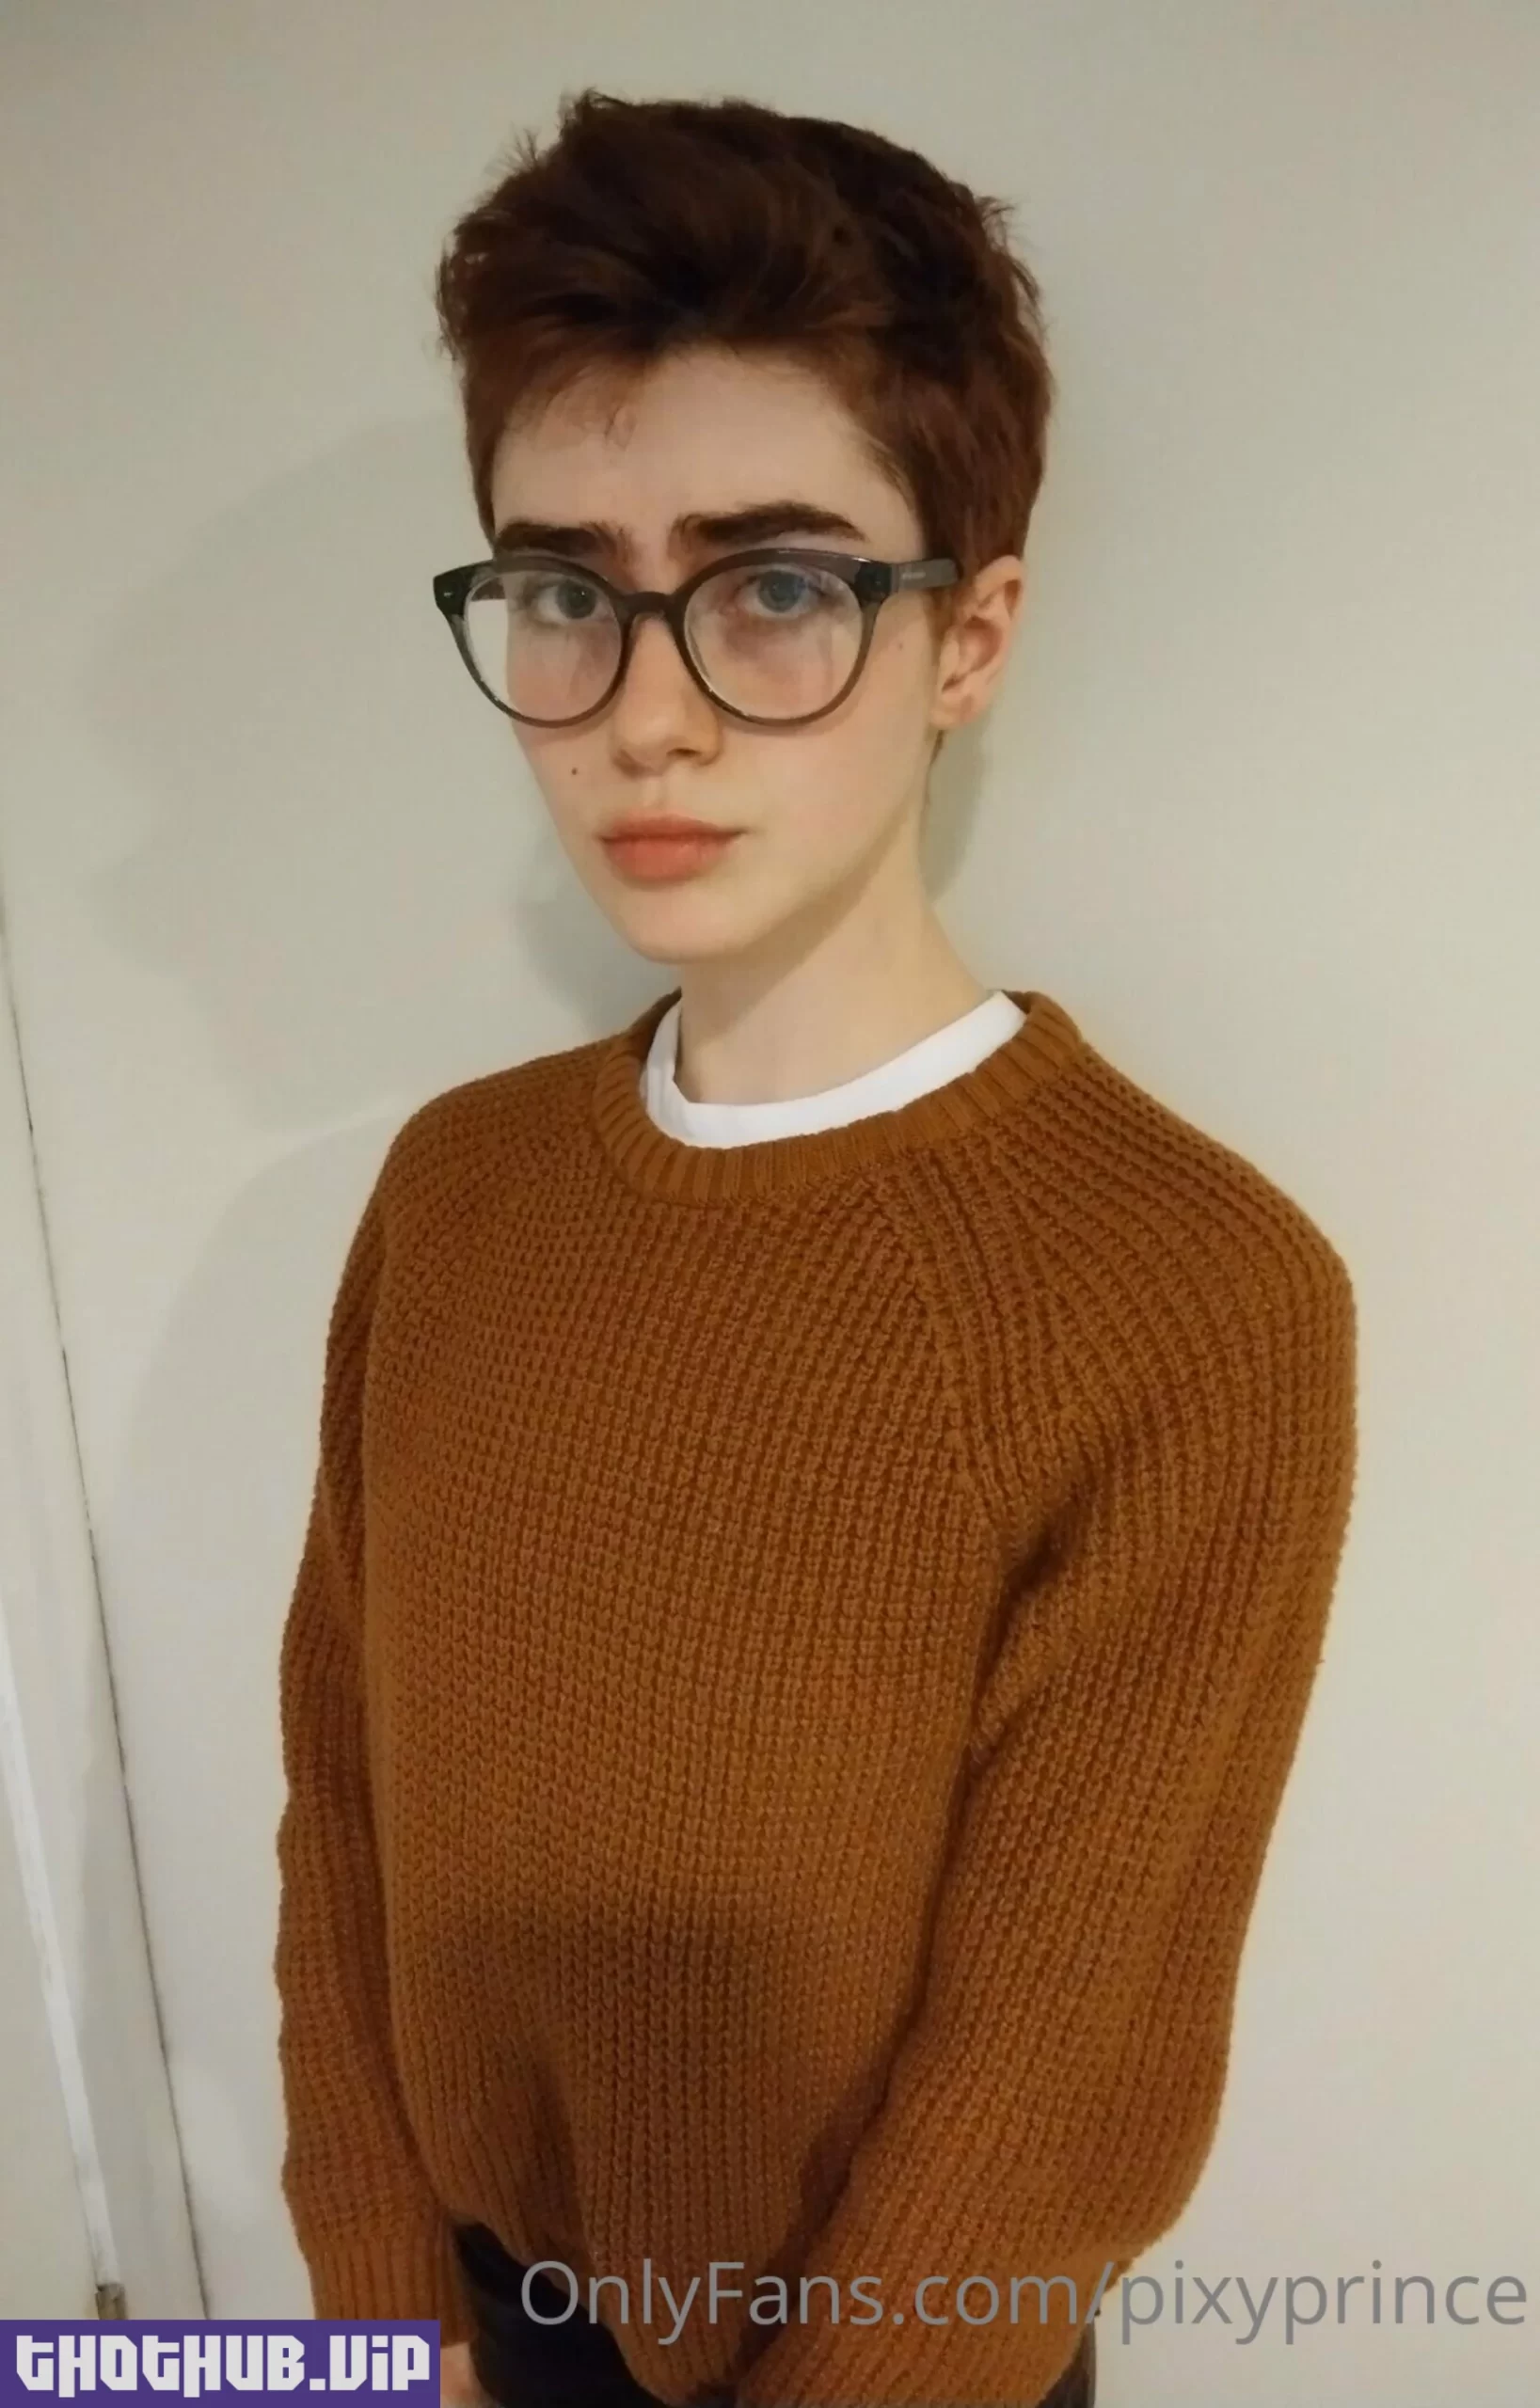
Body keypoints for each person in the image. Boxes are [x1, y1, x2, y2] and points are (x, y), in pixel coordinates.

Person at [272, 88, 1357, 2408]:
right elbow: (343, 1805)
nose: (644, 714)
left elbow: (1047, 2086)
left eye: (772, 586)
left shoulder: (1186, 1292)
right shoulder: (454, 1194)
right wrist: (374, 2337)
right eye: (566, 591)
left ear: (965, 637)